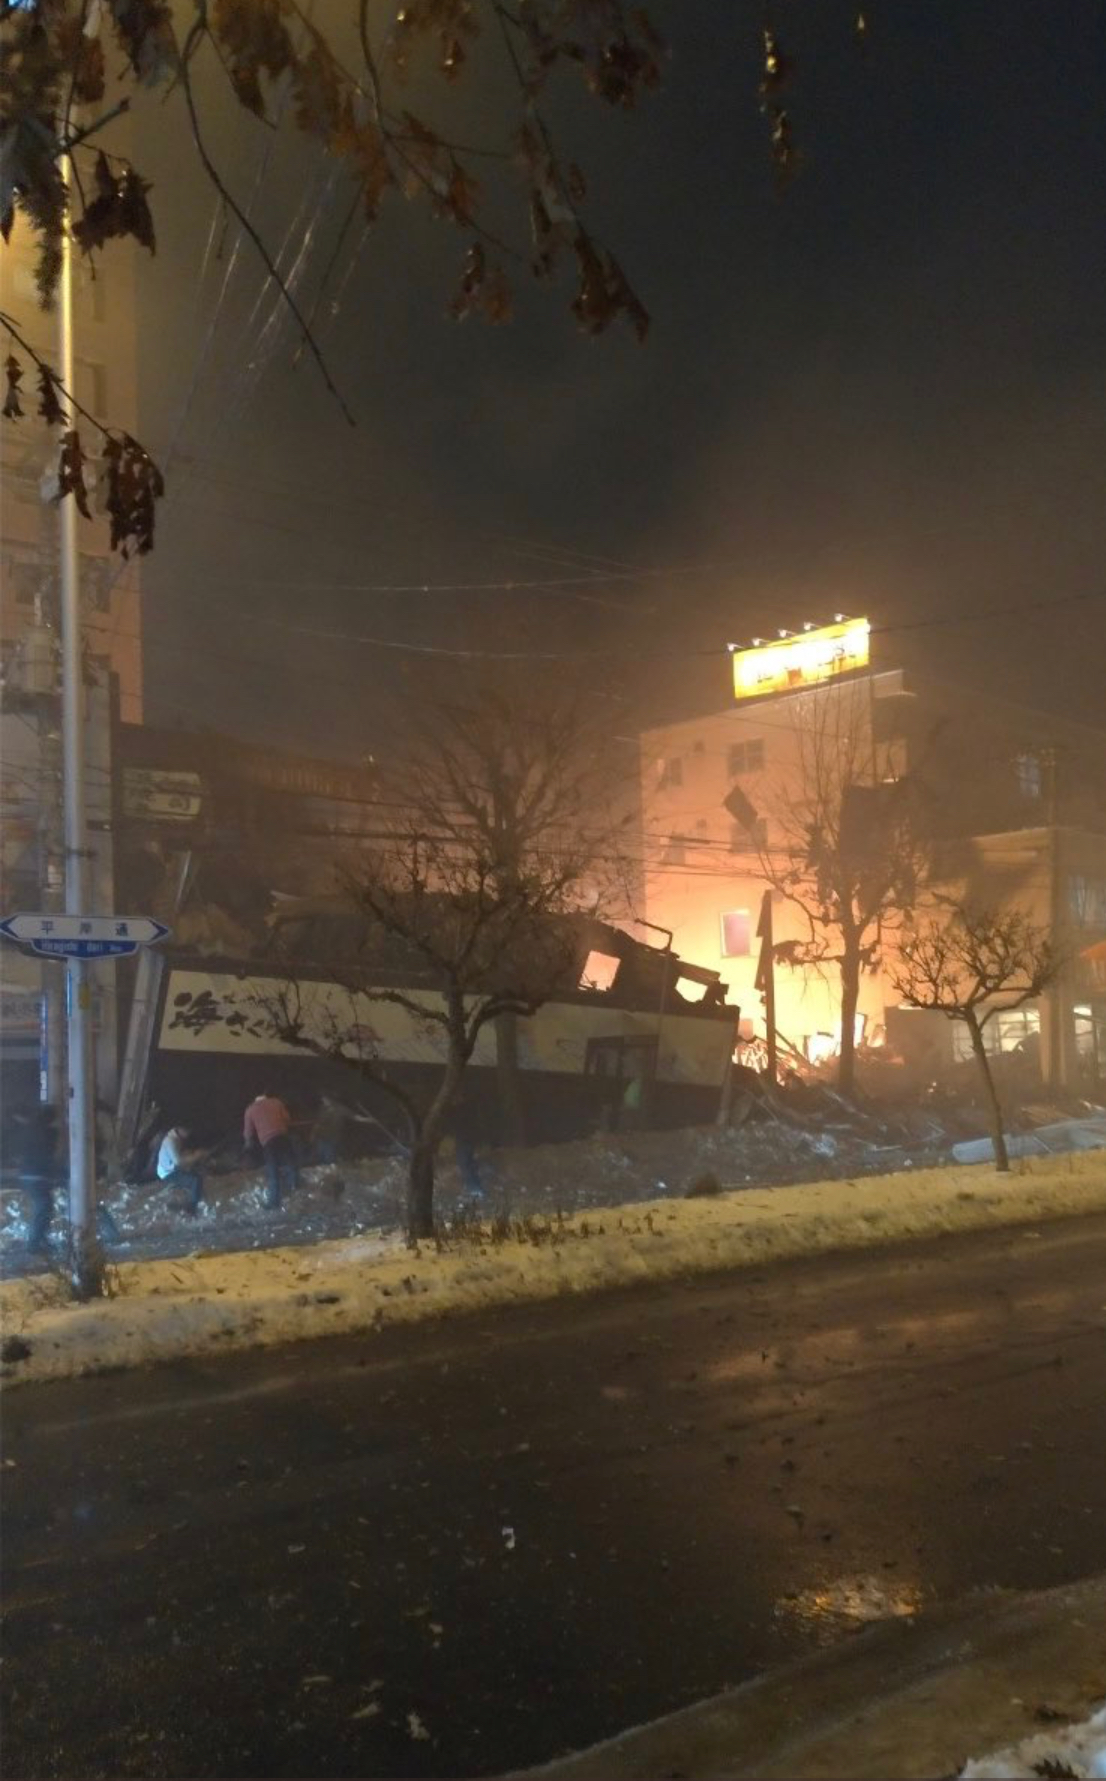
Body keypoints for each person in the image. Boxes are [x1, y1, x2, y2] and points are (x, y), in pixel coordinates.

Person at [13, 1103, 60, 1257]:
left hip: (27, 1174)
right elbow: (50, 1155)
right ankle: (34, 1244)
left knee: (44, 1208)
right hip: (39, 1175)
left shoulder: (29, 1130)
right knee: (43, 1208)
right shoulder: (50, 1133)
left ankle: (40, 1240)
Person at [244, 1090, 299, 1210]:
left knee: (272, 1170)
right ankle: (296, 1187)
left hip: (268, 1142)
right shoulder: (276, 1102)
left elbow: (248, 1131)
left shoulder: (250, 1109)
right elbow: (287, 1119)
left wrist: (248, 1145)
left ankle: (274, 1202)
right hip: (283, 1137)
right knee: (291, 1163)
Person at [156, 1125, 205, 1213]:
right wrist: (195, 1156)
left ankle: (195, 1196)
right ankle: (192, 1207)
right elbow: (178, 1162)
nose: (189, 1134)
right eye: (187, 1131)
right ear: (181, 1129)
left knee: (196, 1171)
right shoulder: (171, 1141)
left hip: (172, 1168)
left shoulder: (177, 1138)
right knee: (195, 1180)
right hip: (168, 1173)